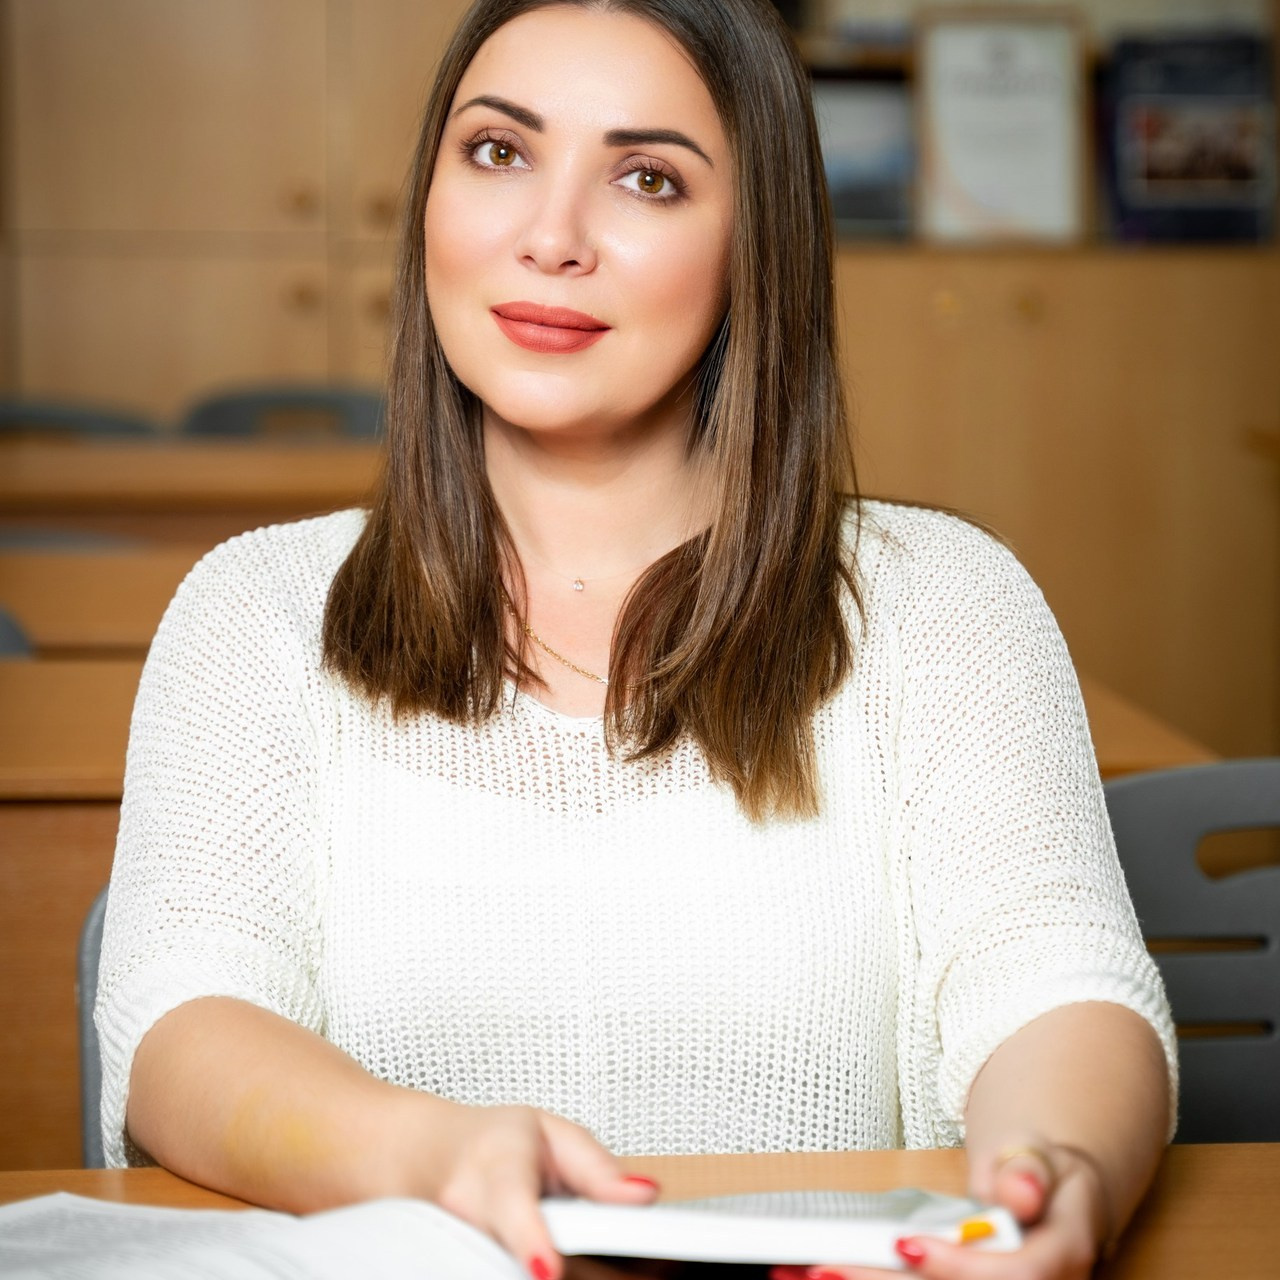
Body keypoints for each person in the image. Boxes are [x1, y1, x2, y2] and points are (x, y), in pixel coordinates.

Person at [96, 2, 1176, 1278]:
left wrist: (1054, 1176)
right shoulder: (255, 608)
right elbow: (180, 1023)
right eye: (498, 152)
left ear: (752, 245)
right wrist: (425, 1151)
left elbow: (1057, 984)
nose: (549, 238)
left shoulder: (945, 604)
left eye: (647, 178)